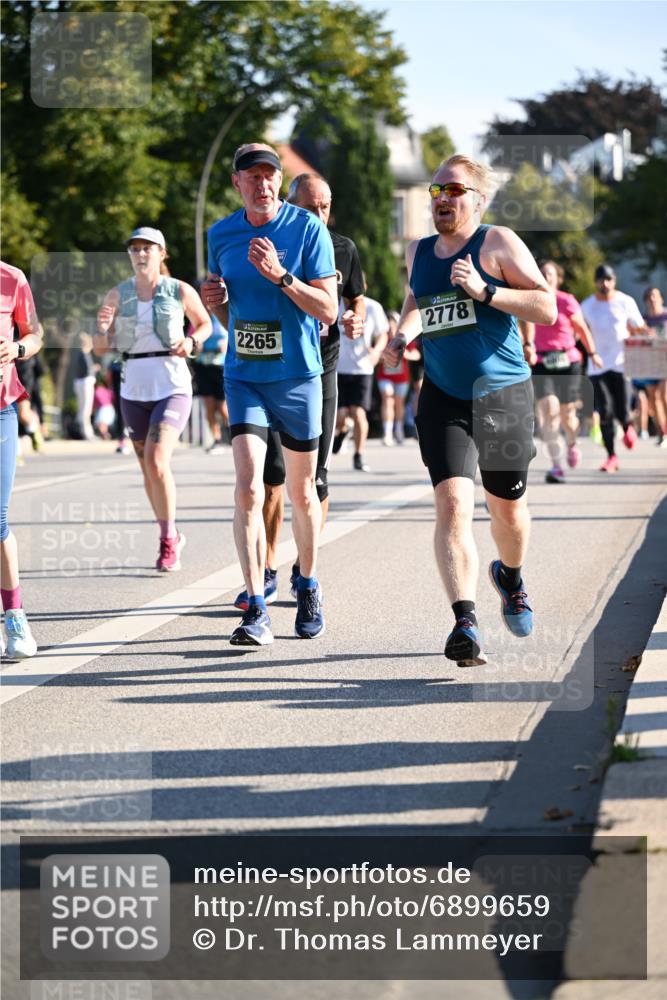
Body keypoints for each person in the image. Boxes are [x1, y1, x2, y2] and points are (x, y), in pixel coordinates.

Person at [383, 155, 557, 666]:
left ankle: (511, 576)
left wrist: (487, 291)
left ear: (477, 200)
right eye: (436, 191)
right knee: (454, 505)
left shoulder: (498, 242)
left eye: (453, 190)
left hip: (503, 395)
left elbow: (544, 306)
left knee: (508, 511)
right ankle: (465, 623)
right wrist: (400, 336)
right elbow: (417, 303)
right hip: (443, 396)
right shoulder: (419, 251)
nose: (442, 199)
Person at [202, 145, 338, 645]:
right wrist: (217, 305)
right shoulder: (221, 233)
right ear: (236, 184)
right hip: (244, 376)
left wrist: (282, 276)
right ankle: (255, 604)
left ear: (280, 181)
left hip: (299, 376)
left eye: (270, 175)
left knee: (303, 494)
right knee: (248, 489)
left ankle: (306, 583)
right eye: (252, 176)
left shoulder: (307, 230)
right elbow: (230, 317)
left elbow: (327, 309)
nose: (262, 183)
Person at [230, 172, 365, 611]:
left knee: (311, 482)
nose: (318, 216)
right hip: (265, 370)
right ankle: (267, 568)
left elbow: (354, 300)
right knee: (268, 479)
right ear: (291, 205)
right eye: (310, 208)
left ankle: (306, 573)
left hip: (318, 368)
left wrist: (353, 319)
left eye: (325, 207)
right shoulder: (272, 237)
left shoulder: (341, 247)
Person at [95, 227, 211, 570]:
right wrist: (100, 328)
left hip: (172, 385)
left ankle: (167, 540)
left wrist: (191, 342)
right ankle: (170, 533)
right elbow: (101, 348)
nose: (140, 254)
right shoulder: (117, 295)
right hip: (133, 389)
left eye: (147, 248)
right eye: (135, 249)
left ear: (162, 254)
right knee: (148, 468)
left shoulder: (178, 290)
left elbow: (204, 324)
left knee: (158, 462)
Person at [523, 260, 602, 483]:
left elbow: (581, 328)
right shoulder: (532, 299)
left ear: (558, 278)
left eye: (550, 273)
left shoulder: (567, 301)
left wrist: (593, 352)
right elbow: (526, 324)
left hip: (568, 360)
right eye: (542, 273)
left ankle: (572, 442)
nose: (546, 277)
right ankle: (556, 466)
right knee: (549, 411)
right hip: (541, 361)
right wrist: (528, 345)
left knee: (567, 414)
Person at [0, 260, 43, 658]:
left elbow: (35, 334)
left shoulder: (11, 278)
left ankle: (14, 616)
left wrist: (17, 347)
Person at [580, 265, 647, 473]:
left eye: (609, 280)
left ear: (614, 281)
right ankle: (611, 456)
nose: (605, 284)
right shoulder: (587, 305)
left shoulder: (625, 301)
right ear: (596, 282)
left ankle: (628, 426)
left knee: (623, 409)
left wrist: (645, 334)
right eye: (601, 280)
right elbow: (581, 331)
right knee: (605, 411)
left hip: (621, 363)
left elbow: (639, 327)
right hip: (597, 365)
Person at [334, 280, 389, 471]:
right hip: (339, 367)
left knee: (358, 413)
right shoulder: (335, 304)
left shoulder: (373, 307)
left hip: (362, 367)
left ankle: (358, 455)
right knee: (339, 416)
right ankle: (342, 431)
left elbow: (383, 334)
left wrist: (377, 351)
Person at [191, 311, 229, 454]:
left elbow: (233, 333)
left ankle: (234, 434)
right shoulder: (197, 316)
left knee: (222, 407)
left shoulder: (223, 313)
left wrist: (226, 344)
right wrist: (195, 345)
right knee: (209, 406)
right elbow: (191, 338)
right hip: (203, 366)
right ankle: (217, 439)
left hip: (220, 366)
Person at [640, 286, 667, 447]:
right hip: (649, 362)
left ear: (661, 299)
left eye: (655, 296)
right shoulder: (643, 320)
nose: (652, 299)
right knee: (653, 398)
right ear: (645, 301)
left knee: (664, 396)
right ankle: (662, 432)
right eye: (649, 297)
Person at [72, 332, 96, 440]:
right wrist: (94, 369)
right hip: (85, 382)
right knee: (85, 409)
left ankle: (85, 431)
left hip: (82, 382)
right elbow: (86, 370)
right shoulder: (84, 354)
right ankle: (86, 432)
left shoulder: (82, 354)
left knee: (84, 408)